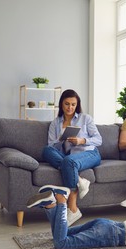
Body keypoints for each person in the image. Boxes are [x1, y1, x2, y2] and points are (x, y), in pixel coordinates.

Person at [42, 89, 102, 226]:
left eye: (73, 105)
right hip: (69, 156)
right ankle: (79, 180)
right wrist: (61, 140)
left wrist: (82, 141)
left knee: (68, 162)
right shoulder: (55, 123)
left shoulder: (85, 118)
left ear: (77, 105)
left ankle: (72, 208)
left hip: (89, 153)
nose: (70, 108)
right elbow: (51, 145)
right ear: (61, 104)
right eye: (67, 104)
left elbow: (99, 139)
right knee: (46, 150)